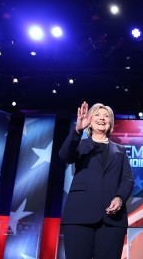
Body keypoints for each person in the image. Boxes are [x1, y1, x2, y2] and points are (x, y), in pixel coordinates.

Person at [59, 101, 134, 259]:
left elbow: (128, 179)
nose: (102, 118)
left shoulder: (120, 150)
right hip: (79, 216)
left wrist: (119, 198)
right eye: (97, 115)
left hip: (112, 220)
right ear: (90, 121)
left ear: (111, 123)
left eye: (106, 116)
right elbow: (65, 156)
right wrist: (77, 131)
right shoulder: (80, 145)